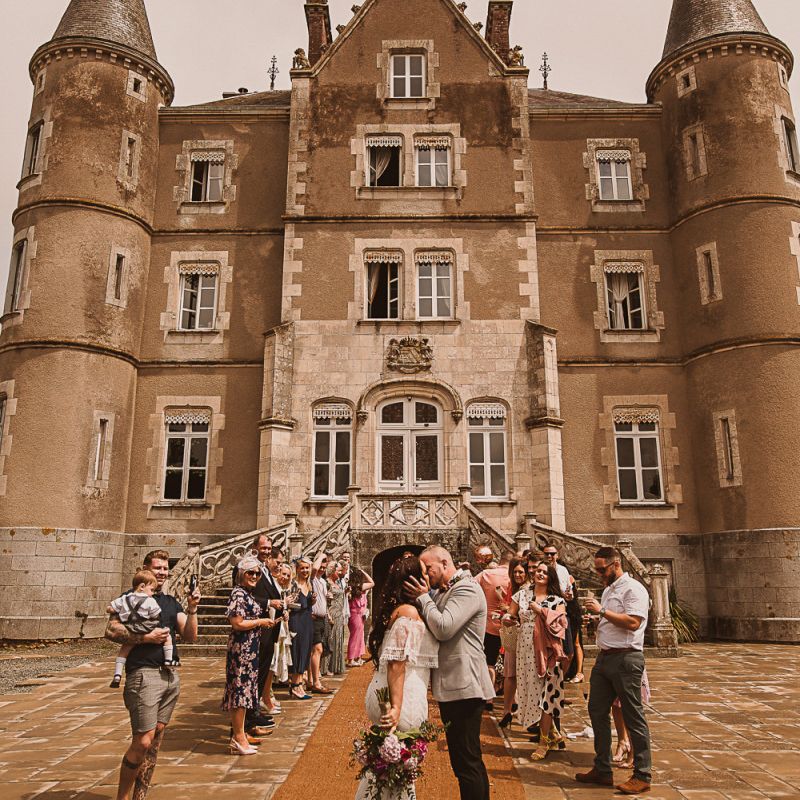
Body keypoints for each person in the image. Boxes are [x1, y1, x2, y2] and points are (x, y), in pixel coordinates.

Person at [105, 549, 200, 800]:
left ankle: (140, 796)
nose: (163, 572)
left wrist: (192, 610)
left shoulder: (170, 602)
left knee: (155, 740)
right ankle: (123, 797)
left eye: (166, 568)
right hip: (143, 674)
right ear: (145, 568)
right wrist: (144, 637)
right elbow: (111, 629)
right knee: (143, 741)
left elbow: (190, 636)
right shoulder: (130, 598)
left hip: (170, 675)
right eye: (158, 568)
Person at [404, 546, 494, 800]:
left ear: (444, 563)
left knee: (468, 761)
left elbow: (444, 628)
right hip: (454, 685)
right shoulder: (447, 590)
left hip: (465, 684)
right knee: (461, 761)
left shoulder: (466, 588)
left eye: (428, 568)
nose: (425, 574)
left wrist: (424, 598)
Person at [355, 555, 439, 800]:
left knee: (384, 773)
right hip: (400, 695)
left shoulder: (395, 610)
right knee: (400, 772)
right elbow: (397, 664)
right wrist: (397, 707)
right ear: (412, 580)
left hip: (385, 692)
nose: (428, 577)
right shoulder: (410, 613)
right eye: (424, 573)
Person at [575, 546, 652, 795]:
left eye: (601, 569)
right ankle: (603, 768)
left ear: (615, 564)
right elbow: (614, 619)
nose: (598, 574)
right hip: (605, 658)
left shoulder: (634, 589)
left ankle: (642, 774)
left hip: (626, 658)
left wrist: (603, 611)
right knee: (596, 710)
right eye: (596, 569)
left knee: (633, 716)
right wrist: (598, 621)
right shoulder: (609, 589)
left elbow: (633, 622)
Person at [504, 559, 569, 760]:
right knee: (530, 691)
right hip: (525, 648)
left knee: (545, 694)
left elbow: (561, 623)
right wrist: (507, 618)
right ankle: (553, 733)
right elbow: (510, 614)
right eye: (538, 571)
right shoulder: (522, 594)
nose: (540, 574)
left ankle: (544, 742)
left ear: (550, 577)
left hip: (546, 651)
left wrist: (540, 610)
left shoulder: (556, 600)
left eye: (544, 572)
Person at [224, 555, 279, 754]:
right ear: (241, 574)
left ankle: (240, 732)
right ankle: (238, 739)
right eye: (250, 573)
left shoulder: (247, 593)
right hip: (241, 650)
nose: (255, 576)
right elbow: (237, 623)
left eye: (257, 573)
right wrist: (260, 622)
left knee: (247, 691)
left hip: (250, 648)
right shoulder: (239, 594)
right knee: (240, 692)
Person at [108, 570, 175, 689]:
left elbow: (111, 608)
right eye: (152, 590)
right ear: (142, 586)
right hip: (145, 626)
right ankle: (169, 661)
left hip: (130, 627)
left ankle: (117, 674)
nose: (152, 593)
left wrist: (116, 610)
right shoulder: (150, 600)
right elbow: (157, 614)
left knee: (124, 649)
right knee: (167, 635)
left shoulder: (125, 598)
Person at [475, 553, 511, 702]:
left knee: (489, 660)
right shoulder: (515, 576)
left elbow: (470, 586)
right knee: (509, 660)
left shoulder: (486, 574)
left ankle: (489, 698)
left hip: (489, 623)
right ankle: (510, 697)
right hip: (509, 624)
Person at [498, 557, 527, 727]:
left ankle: (519, 710)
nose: (517, 575)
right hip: (513, 636)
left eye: (520, 572)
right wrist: (507, 614)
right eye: (515, 572)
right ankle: (506, 711)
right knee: (510, 674)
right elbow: (511, 611)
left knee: (522, 675)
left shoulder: (529, 591)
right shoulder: (513, 588)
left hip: (527, 638)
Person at [288, 556, 315, 699]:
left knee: (305, 650)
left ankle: (299, 684)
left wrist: (313, 600)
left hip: (307, 621)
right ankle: (295, 685)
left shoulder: (309, 584)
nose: (305, 570)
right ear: (297, 569)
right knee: (296, 650)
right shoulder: (293, 585)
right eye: (302, 568)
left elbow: (309, 605)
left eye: (307, 568)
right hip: (296, 621)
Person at [309, 551, 333, 694]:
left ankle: (312, 680)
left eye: (325, 567)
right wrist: (321, 556)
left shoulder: (322, 581)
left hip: (321, 618)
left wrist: (328, 615)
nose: (322, 569)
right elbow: (313, 569)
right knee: (317, 650)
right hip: (313, 619)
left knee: (317, 650)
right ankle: (316, 682)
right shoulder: (312, 579)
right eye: (321, 566)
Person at [271, 563, 295, 685]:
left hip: (282, 626)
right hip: (273, 626)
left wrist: (286, 612)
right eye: (283, 574)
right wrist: (284, 603)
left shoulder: (284, 590)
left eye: (287, 575)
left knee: (280, 652)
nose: (285, 577)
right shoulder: (274, 587)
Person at [347, 566, 374, 666]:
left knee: (359, 636)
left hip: (356, 614)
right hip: (356, 614)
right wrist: (363, 572)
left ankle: (357, 657)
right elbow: (372, 582)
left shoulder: (352, 587)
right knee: (355, 636)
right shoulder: (359, 587)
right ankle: (351, 659)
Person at [325, 561, 347, 675]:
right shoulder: (327, 583)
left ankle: (335, 666)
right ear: (332, 570)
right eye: (338, 570)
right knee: (331, 640)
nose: (340, 572)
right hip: (332, 612)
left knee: (338, 639)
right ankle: (327, 667)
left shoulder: (337, 582)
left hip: (339, 613)